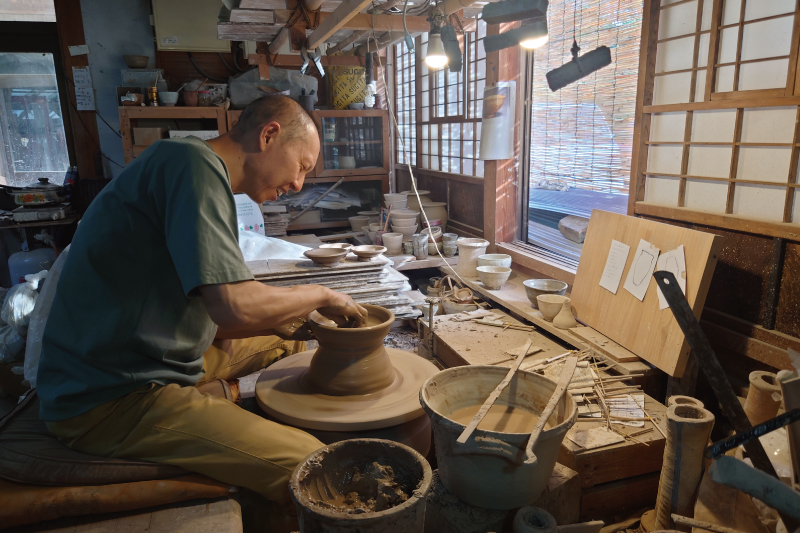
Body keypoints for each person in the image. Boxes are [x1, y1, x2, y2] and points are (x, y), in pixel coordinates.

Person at [36, 95, 366, 506]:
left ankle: (228, 402)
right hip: (110, 396)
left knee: (294, 336)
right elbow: (234, 307)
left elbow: (217, 315)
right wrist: (321, 293)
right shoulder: (193, 167)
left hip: (139, 352)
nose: (298, 184)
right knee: (314, 467)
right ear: (269, 136)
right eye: (301, 166)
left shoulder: (189, 164)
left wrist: (292, 315)